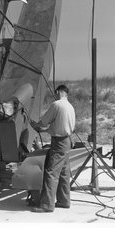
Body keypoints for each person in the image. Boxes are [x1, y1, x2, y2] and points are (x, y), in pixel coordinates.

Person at [29, 84, 75, 213]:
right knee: (64, 173)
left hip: (59, 143)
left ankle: (47, 205)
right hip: (67, 141)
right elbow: (61, 125)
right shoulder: (70, 106)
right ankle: (64, 201)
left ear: (58, 92)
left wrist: (36, 125)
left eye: (55, 93)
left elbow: (44, 121)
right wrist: (45, 130)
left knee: (51, 173)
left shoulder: (57, 105)